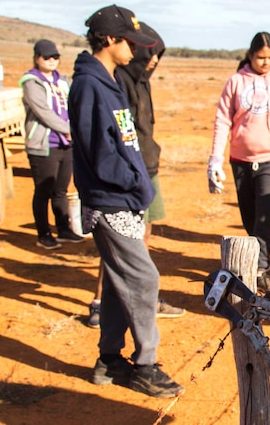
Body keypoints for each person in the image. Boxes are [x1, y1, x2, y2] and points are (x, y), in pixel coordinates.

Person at [68, 4, 183, 398]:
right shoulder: (88, 85)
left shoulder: (109, 79)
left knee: (120, 282)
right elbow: (99, 154)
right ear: (110, 40)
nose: (136, 50)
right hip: (110, 200)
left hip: (123, 197)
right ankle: (145, 365)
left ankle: (109, 361)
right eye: (130, 42)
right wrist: (135, 183)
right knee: (143, 277)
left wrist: (135, 185)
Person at [87, 22, 184, 328]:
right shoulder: (117, 82)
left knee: (144, 235)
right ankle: (100, 302)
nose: (155, 59)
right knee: (120, 241)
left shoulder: (142, 82)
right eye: (151, 53)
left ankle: (145, 300)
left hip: (146, 169)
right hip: (128, 174)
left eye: (160, 55)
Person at [207, 32, 270, 295]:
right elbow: (222, 120)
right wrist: (215, 158)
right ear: (250, 56)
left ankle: (261, 272)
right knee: (248, 216)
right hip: (240, 159)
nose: (266, 63)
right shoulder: (235, 82)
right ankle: (253, 264)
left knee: (264, 215)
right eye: (261, 58)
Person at [20, 39, 85, 250]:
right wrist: (69, 129)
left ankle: (64, 229)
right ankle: (44, 233)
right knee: (43, 190)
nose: (51, 60)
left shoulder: (62, 81)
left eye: (55, 57)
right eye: (46, 57)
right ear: (37, 58)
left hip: (66, 144)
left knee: (61, 190)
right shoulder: (31, 81)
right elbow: (43, 113)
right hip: (44, 143)